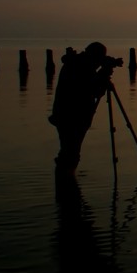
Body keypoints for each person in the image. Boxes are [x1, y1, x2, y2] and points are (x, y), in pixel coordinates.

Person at [49, 42, 113, 177]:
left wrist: (101, 73)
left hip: (67, 115)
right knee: (70, 151)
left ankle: (65, 182)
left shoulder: (76, 64)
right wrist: (104, 73)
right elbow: (91, 90)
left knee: (69, 150)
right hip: (73, 116)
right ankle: (66, 181)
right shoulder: (80, 67)